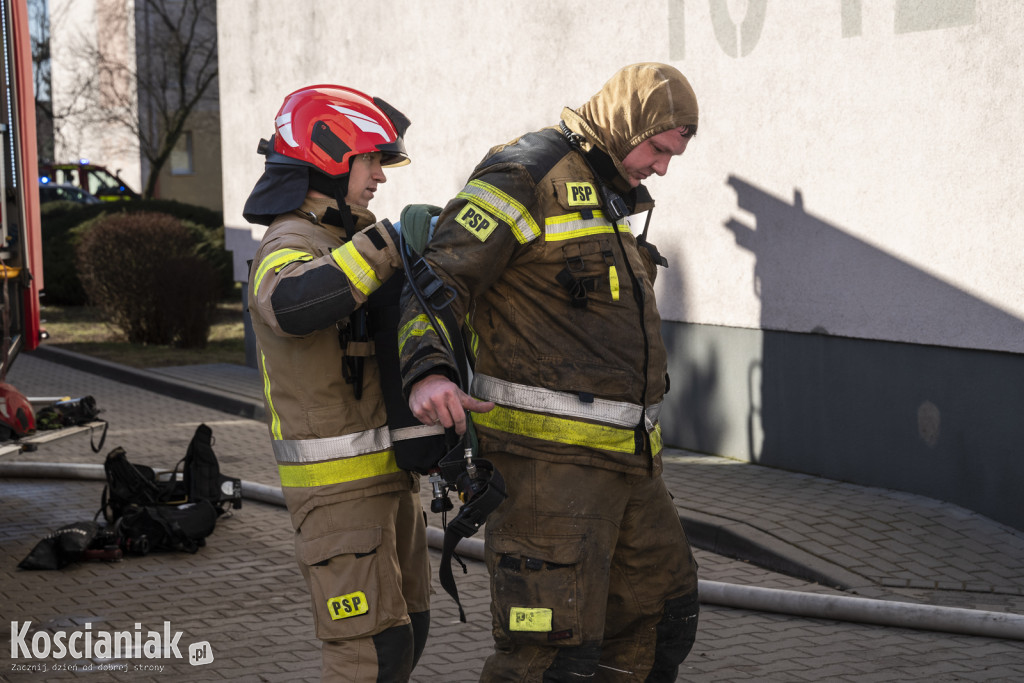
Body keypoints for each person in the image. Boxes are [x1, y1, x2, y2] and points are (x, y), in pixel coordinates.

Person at [398, 63, 701, 681]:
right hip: (545, 476)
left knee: (660, 620)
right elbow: (437, 282)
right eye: (659, 148)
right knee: (548, 656)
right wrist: (428, 372)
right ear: (627, 124)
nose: (663, 167)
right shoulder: (525, 172)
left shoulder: (612, 191)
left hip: (631, 466)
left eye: (675, 155)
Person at [242, 85, 434, 683]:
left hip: (388, 484)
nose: (379, 175)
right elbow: (295, 304)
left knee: (407, 635)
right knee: (368, 658)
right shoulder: (289, 242)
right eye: (371, 159)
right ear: (329, 154)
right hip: (337, 498)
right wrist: (389, 246)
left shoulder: (343, 236)